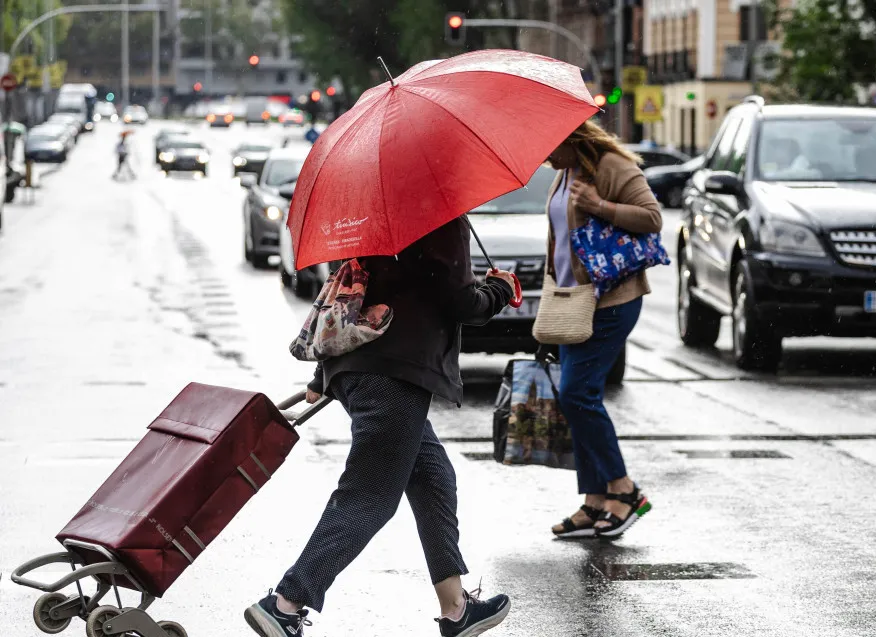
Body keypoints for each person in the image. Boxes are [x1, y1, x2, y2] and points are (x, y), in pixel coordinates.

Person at [244, 215, 517, 637]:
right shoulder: (440, 217)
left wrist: (324, 375)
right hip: (394, 373)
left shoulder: (375, 211)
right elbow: (463, 303)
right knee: (370, 496)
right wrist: (500, 289)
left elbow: (356, 285)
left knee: (433, 479)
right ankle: (285, 603)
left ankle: (456, 609)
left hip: (357, 367)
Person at [544, 118, 661, 540]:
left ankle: (623, 490)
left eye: (549, 146)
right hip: (572, 303)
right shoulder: (564, 174)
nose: (544, 156)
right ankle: (594, 500)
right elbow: (558, 242)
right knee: (577, 396)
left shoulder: (611, 166)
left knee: (578, 392)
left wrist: (600, 206)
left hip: (612, 299)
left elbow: (652, 218)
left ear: (571, 138)